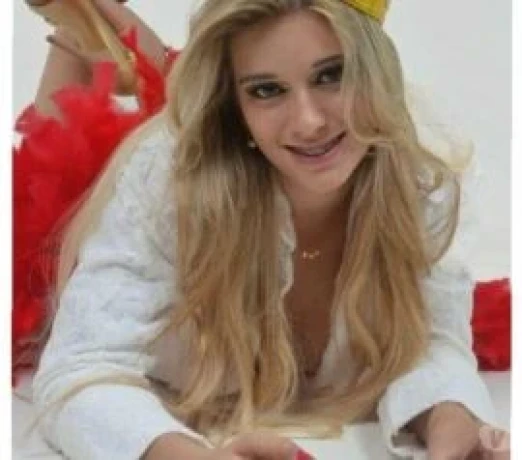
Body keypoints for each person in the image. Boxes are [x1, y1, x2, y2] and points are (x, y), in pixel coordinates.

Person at [15, 0, 509, 459]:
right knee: (57, 161)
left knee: (167, 79)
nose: (309, 122)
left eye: (332, 75)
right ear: (236, 106)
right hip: (56, 245)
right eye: (266, 90)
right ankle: (76, 28)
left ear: (375, 74)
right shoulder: (164, 182)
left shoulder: (416, 187)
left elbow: (428, 340)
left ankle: (97, 26)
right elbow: (78, 370)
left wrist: (452, 419)